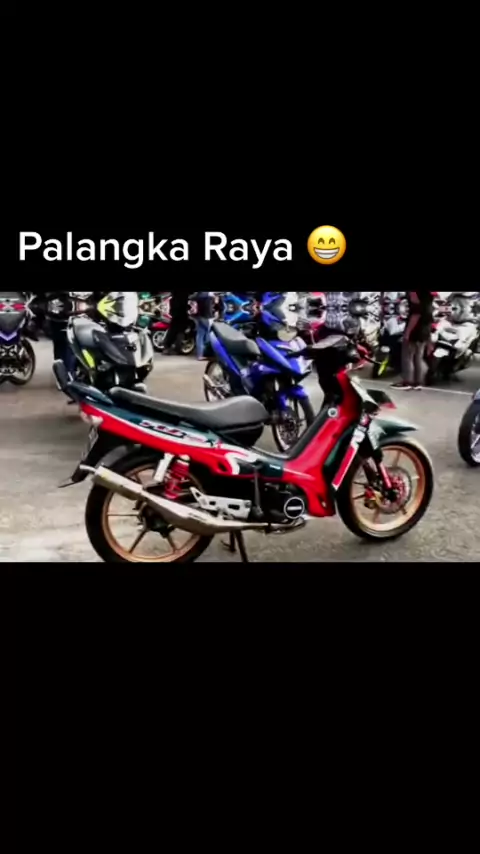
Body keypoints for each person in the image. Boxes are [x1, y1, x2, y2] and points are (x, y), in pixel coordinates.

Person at [391, 291, 434, 390]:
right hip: (425, 328)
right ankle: (418, 382)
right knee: (418, 357)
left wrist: (408, 332)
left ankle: (408, 382)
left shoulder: (414, 293)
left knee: (408, 356)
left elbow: (416, 313)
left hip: (416, 329)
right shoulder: (428, 295)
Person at [193, 291, 214, 360]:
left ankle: (200, 355)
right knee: (208, 335)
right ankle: (207, 353)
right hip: (207, 318)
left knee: (200, 336)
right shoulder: (208, 294)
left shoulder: (198, 294)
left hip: (200, 317)